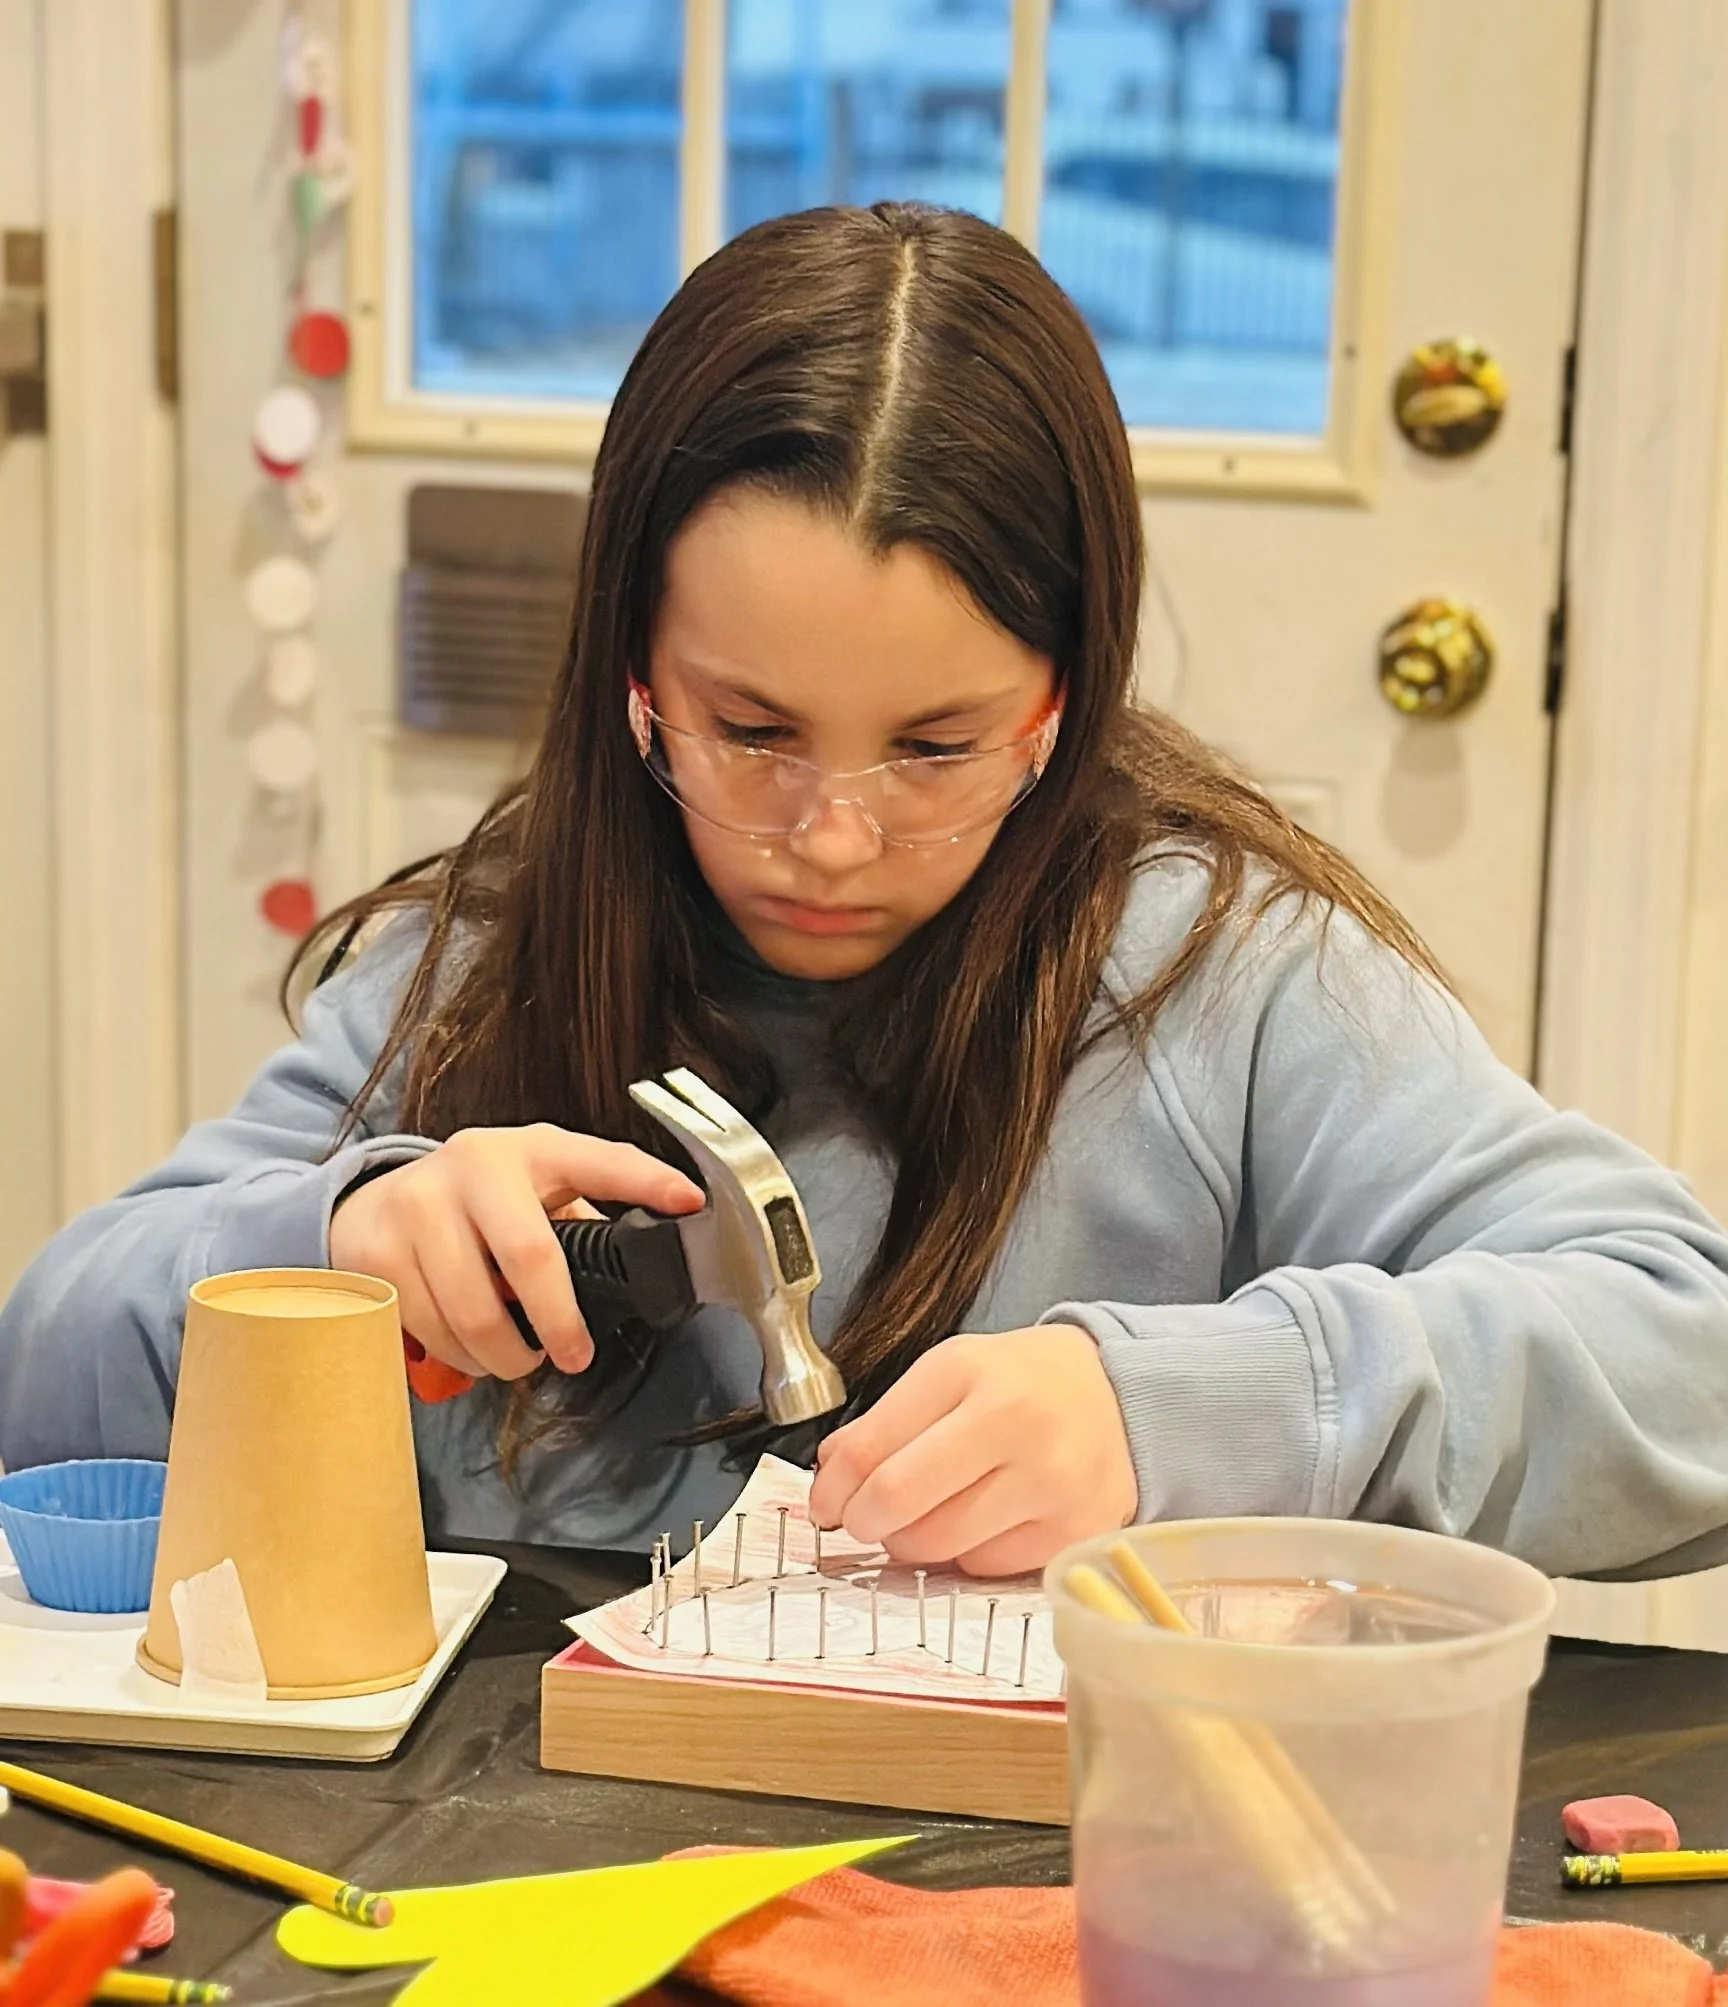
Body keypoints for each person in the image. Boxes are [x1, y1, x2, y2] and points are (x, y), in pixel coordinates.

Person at [3, 202, 1726, 1577]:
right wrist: (330, 1245)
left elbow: (1687, 1347)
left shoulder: (1227, 977)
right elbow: (41, 1374)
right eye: (749, 730)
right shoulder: (485, 959)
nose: (829, 838)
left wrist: (1189, 1412)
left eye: (936, 745)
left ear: (1063, 697)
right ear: (634, 680)